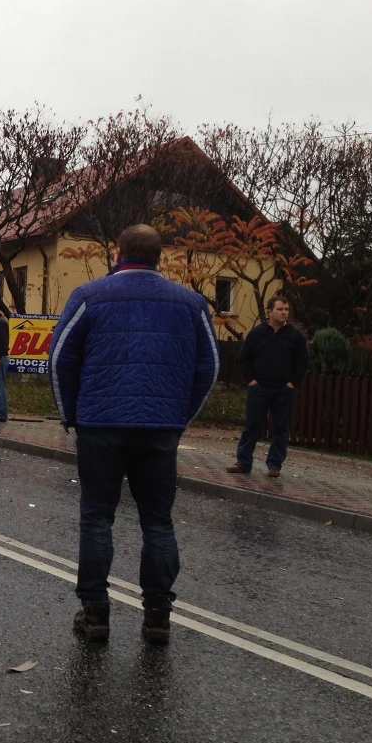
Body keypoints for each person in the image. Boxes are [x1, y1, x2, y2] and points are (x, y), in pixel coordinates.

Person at [49, 224, 218, 646]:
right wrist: (181, 417)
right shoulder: (192, 303)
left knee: (97, 516)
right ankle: (158, 618)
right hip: (161, 429)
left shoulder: (89, 297)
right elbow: (209, 368)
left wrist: (72, 415)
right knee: (158, 522)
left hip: (100, 426)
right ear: (160, 256)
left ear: (118, 251)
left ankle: (96, 613)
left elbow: (60, 361)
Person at [227, 296, 309, 478]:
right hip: (260, 387)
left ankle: (274, 464)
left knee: (281, 428)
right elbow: (244, 357)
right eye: (280, 309)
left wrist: (293, 382)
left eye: (286, 309)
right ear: (270, 311)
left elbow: (302, 361)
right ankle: (243, 461)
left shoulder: (294, 336)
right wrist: (251, 380)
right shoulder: (257, 333)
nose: (284, 312)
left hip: (283, 389)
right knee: (252, 425)